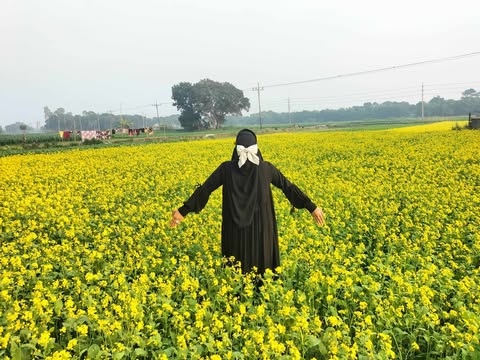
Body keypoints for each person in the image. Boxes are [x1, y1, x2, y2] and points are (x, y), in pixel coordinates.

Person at [170, 129, 325, 274]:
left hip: (234, 228)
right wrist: (311, 207)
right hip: (262, 227)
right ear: (256, 147)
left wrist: (183, 211)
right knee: (263, 266)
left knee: (236, 267)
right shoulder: (266, 168)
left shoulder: (226, 169)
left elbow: (206, 189)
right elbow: (288, 187)